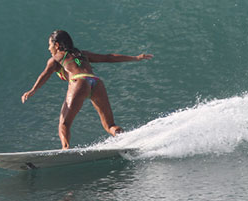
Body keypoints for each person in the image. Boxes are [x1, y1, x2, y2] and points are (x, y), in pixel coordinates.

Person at [21, 30, 153, 149]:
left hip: (79, 82)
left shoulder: (56, 58)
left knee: (64, 124)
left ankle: (65, 149)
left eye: (49, 44)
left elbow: (45, 74)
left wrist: (32, 90)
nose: (48, 48)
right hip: (96, 82)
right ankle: (125, 140)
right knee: (110, 126)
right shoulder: (82, 54)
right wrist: (136, 58)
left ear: (57, 45)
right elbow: (108, 57)